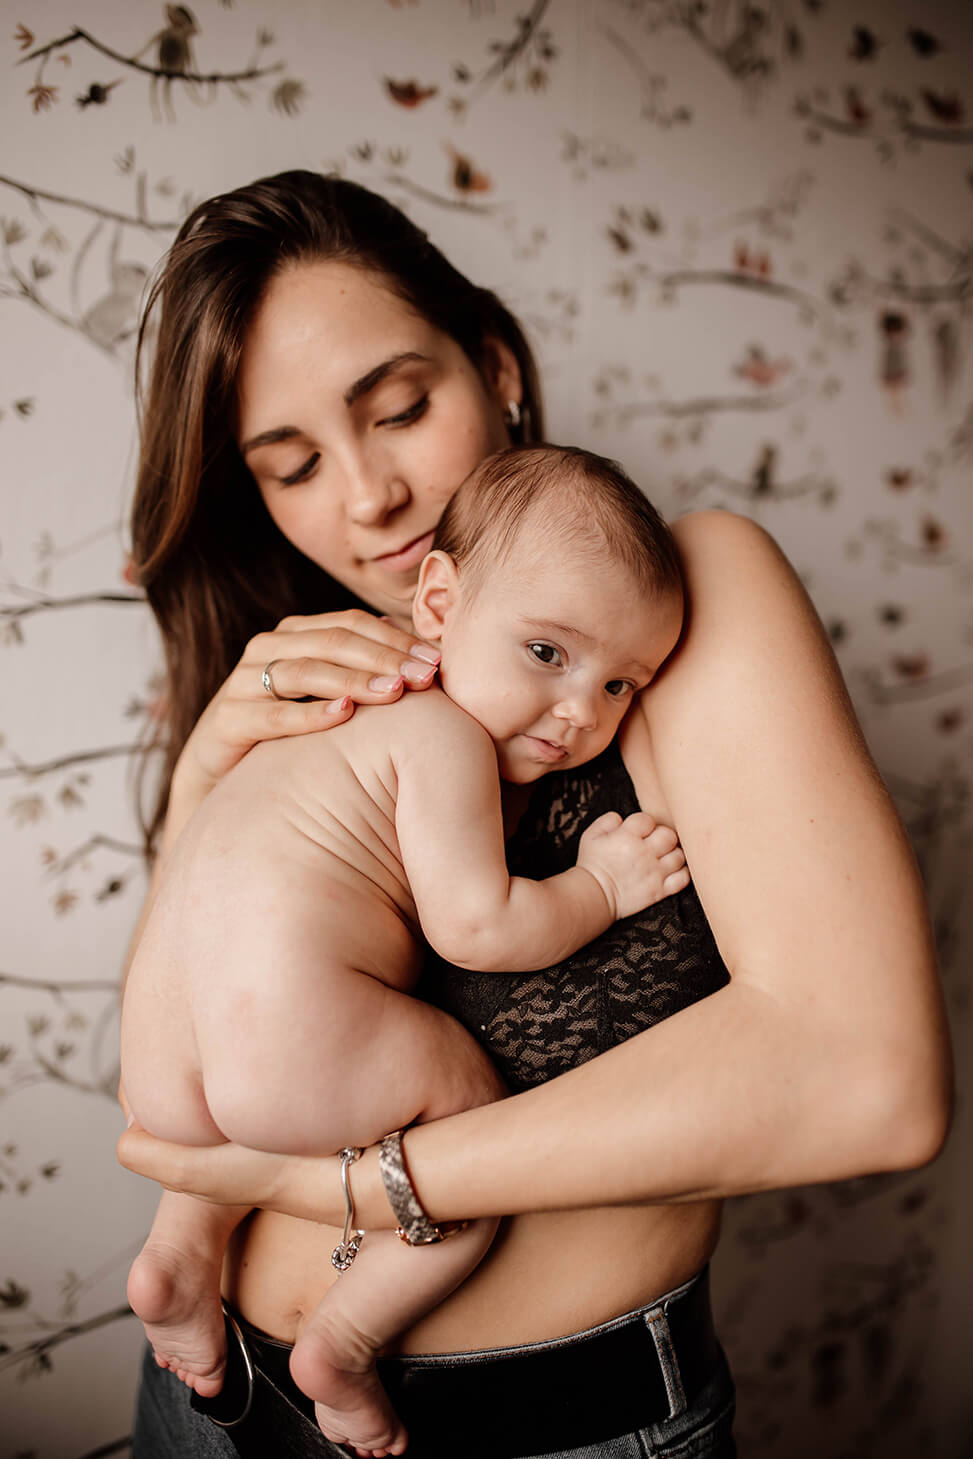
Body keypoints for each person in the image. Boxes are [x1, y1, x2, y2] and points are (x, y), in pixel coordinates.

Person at [117, 171, 952, 1459]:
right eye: (289, 466)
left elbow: (870, 1082)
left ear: (496, 367)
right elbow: (187, 1047)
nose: (366, 496)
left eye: (397, 409)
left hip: (548, 1431)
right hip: (203, 1401)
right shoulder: (314, 669)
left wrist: (352, 1186)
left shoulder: (682, 598)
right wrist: (198, 793)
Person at [121, 444, 690, 1458]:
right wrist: (599, 886)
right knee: (461, 1136)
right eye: (548, 654)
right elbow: (475, 927)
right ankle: (344, 1341)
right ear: (438, 601)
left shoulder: (325, 713)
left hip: (160, 1055)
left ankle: (176, 1251)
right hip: (285, 1048)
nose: (579, 714)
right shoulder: (441, 736)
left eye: (620, 686)